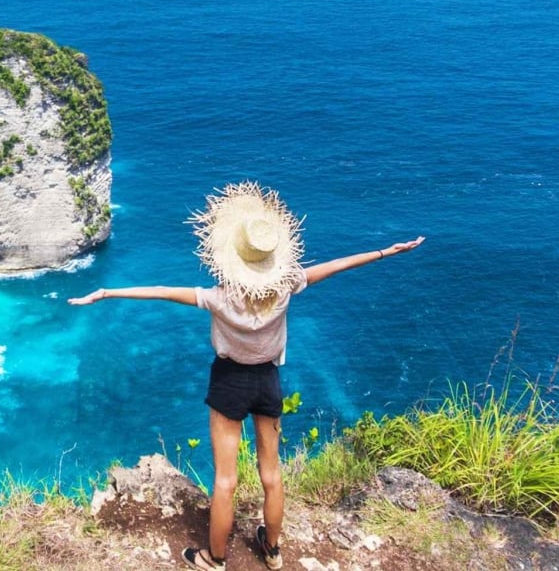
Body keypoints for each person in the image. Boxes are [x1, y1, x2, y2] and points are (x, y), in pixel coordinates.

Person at [69, 181, 424, 571]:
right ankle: (272, 551)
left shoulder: (219, 299)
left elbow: (162, 291)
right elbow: (336, 265)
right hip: (268, 381)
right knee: (272, 474)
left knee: (225, 480)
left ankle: (215, 558)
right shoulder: (285, 288)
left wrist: (107, 293)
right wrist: (384, 252)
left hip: (229, 382)